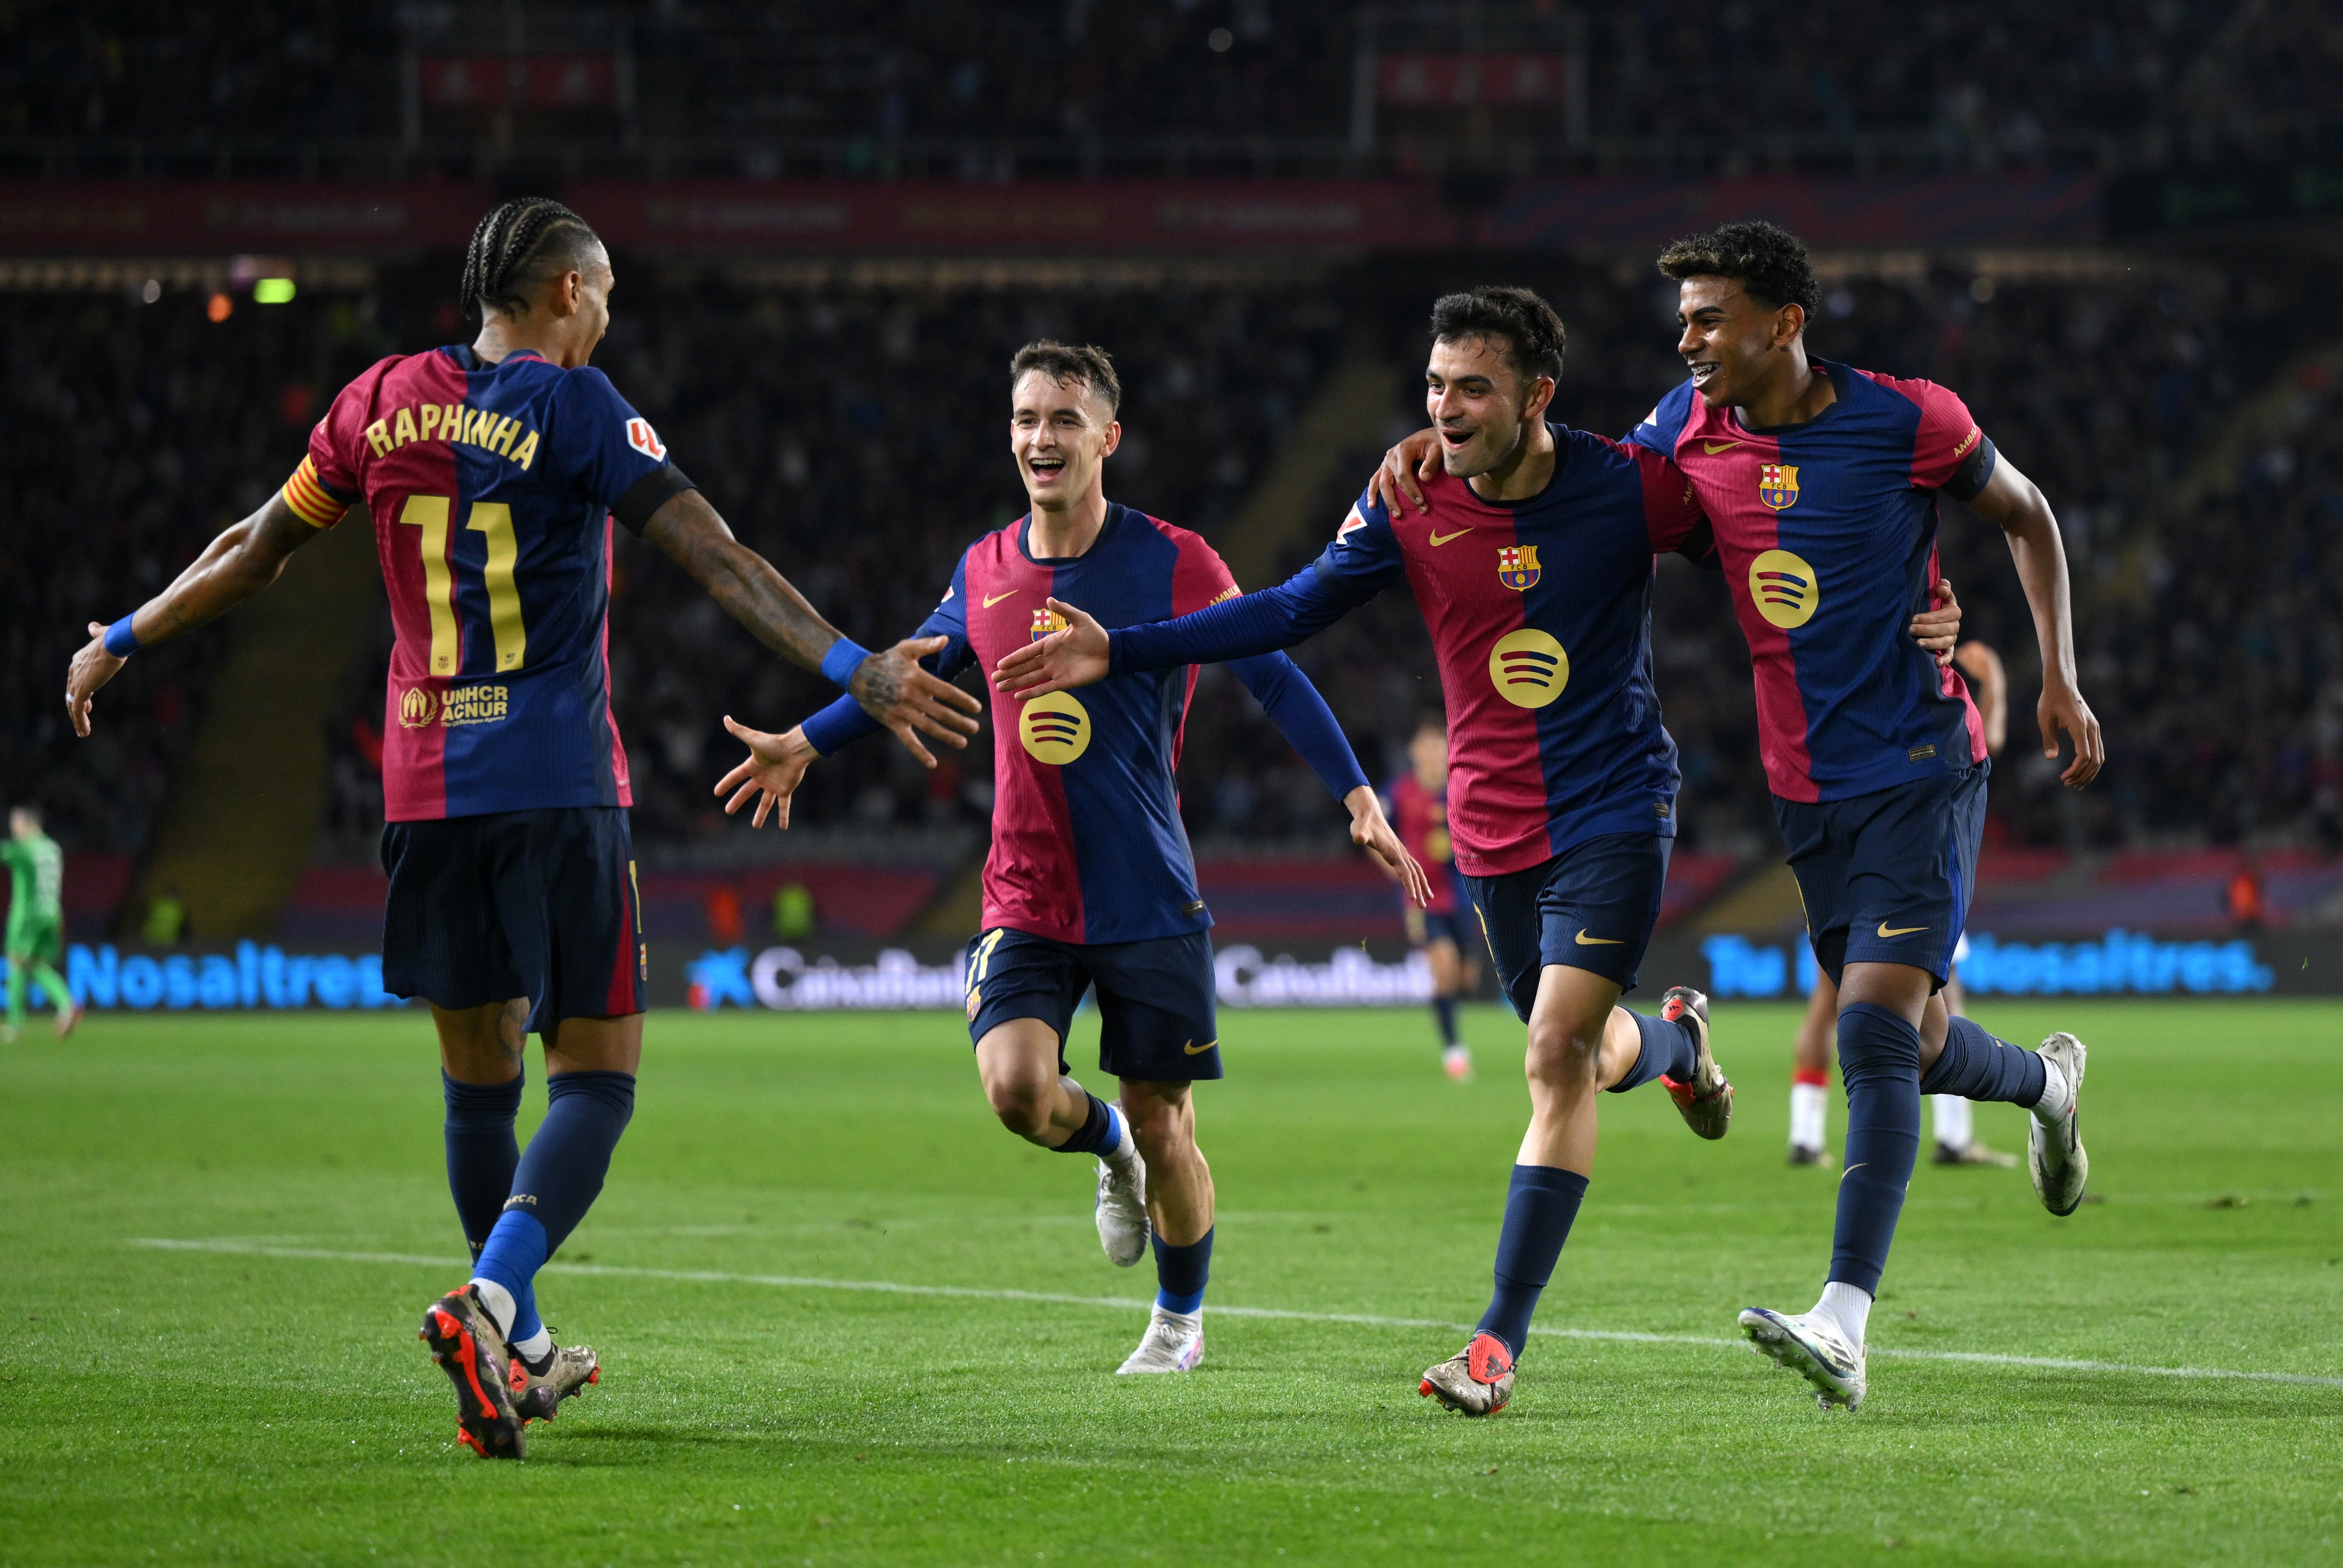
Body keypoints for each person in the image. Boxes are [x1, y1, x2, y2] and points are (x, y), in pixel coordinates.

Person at [63, 196, 981, 1458]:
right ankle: (492, 1301)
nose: (608, 314)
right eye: (601, 292)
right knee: (597, 1074)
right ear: (560, 292)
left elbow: (254, 547)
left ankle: (527, 1348)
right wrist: (850, 665)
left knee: (476, 1078)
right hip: (554, 779)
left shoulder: (377, 400)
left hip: (422, 788)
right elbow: (717, 555)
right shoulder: (577, 407)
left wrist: (123, 634)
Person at [991, 288, 1956, 1416]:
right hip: (1490, 835)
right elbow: (1289, 610)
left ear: (1536, 396)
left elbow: (1768, 525)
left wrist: (1919, 603)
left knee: (1551, 1057)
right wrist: (1126, 651)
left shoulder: (1627, 485)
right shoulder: (1403, 498)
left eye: (1472, 389)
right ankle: (1679, 1049)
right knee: (1583, 1053)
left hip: (1612, 810)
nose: (1445, 409)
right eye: (1434, 388)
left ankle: (1493, 1344)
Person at [713, 340, 1427, 1376]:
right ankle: (1107, 1150)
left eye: (1061, 418)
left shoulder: (1174, 560)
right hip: (1025, 889)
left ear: (1106, 437)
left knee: (1170, 1119)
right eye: (1024, 419)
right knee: (1014, 1090)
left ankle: (1177, 1321)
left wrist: (1357, 795)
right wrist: (803, 741)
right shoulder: (984, 565)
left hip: (1144, 888)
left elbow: (1267, 670)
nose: (1039, 438)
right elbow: (900, 677)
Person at [1626, 220, 2102, 1409]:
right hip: (1805, 786)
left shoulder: (1909, 419)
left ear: (1783, 323)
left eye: (1708, 316)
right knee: (1926, 1037)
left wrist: (2056, 675)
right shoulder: (1683, 429)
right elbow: (1573, 494)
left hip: (1923, 760)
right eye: (1681, 317)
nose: (1686, 339)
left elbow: (2030, 514)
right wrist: (1435, 456)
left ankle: (1843, 1319)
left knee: (1873, 1030)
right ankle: (2046, 1088)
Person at [1787, 637, 2017, 1169]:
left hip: (1838, 852)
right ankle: (1953, 1137)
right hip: (1907, 864)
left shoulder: (1846, 695)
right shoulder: (1920, 697)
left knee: (1827, 1006)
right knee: (1942, 1002)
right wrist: (1996, 688)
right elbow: (1984, 741)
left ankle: (1804, 1135)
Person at [1385, 713, 1480, 1080]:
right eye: (1426, 744)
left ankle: (1451, 1022)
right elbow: (1376, 836)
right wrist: (1399, 875)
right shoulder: (1398, 792)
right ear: (1413, 750)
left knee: (1464, 977)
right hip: (1422, 897)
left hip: (1463, 895)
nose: (1433, 751)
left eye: (1439, 744)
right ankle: (1454, 1051)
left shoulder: (1462, 787)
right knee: (1443, 966)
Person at [3, 806, 81, 1043]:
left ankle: (15, 1025)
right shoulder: (53, 848)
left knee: (16, 962)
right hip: (52, 913)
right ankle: (67, 1005)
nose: (13, 829)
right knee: (35, 965)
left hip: (28, 916)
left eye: (16, 823)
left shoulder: (26, 848)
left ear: (29, 824)